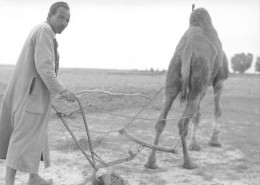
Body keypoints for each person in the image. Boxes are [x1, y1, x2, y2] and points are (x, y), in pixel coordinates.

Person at [0, 2, 76, 185]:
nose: (64, 22)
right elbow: (45, 68)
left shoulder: (45, 32)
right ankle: (8, 182)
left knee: (36, 137)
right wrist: (63, 91)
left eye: (67, 19)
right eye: (61, 17)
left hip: (34, 96)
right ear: (49, 15)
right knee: (22, 139)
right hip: (30, 97)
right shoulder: (44, 31)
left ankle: (33, 177)